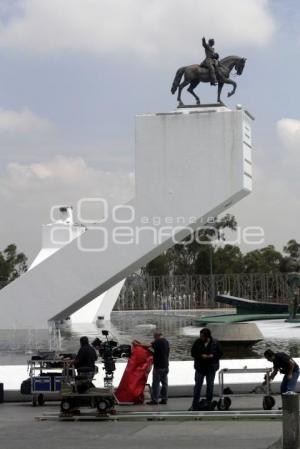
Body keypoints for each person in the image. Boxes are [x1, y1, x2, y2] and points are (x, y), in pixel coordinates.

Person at [189, 327, 222, 411]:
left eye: (202, 336)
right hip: (200, 367)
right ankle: (195, 404)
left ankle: (208, 403)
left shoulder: (215, 342)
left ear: (207, 336)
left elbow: (220, 353)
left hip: (211, 367)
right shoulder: (197, 342)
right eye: (200, 336)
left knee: (210, 386)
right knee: (197, 386)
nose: (201, 337)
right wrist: (200, 355)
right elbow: (193, 353)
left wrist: (213, 356)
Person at [147, 331, 170, 405]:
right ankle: (164, 399)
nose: (154, 338)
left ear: (157, 336)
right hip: (165, 365)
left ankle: (155, 400)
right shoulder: (166, 341)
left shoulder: (158, 341)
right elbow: (161, 352)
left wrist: (137, 344)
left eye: (154, 337)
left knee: (156, 384)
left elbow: (148, 345)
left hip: (158, 366)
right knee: (164, 383)